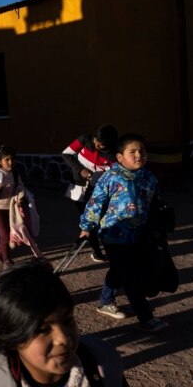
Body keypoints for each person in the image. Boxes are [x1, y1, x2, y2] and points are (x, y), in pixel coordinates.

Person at [0, 264, 141, 387]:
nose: (62, 338)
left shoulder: (102, 367)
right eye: (43, 329)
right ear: (11, 338)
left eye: (67, 320)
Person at [79, 133, 169, 332]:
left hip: (140, 235)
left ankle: (105, 301)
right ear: (120, 157)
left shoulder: (149, 176)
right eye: (133, 152)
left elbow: (156, 203)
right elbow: (95, 204)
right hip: (114, 235)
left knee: (121, 269)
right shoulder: (111, 177)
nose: (139, 155)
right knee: (130, 276)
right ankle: (146, 318)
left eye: (142, 151)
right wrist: (86, 227)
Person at [62, 125, 118, 263]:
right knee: (88, 221)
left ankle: (111, 251)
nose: (97, 144)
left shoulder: (114, 154)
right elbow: (66, 154)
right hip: (79, 188)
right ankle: (96, 252)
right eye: (96, 141)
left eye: (102, 145)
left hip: (101, 191)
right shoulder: (85, 140)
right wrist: (81, 170)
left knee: (104, 221)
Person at [0, 145, 44, 269]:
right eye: (7, 160)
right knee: (5, 234)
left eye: (12, 159)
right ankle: (7, 261)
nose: (10, 162)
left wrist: (20, 196)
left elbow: (20, 187)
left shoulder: (15, 174)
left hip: (12, 210)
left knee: (13, 234)